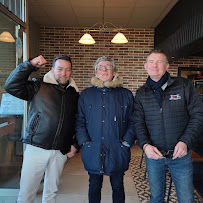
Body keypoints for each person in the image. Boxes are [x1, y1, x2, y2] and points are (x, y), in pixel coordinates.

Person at [5, 55, 79, 203]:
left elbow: (76, 120)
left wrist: (75, 143)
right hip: (37, 146)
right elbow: (11, 85)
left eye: (67, 70)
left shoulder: (74, 94)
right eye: (60, 69)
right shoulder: (38, 86)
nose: (63, 73)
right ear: (52, 70)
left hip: (60, 150)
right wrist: (30, 64)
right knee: (27, 193)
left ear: (71, 72)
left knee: (51, 192)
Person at [134, 49, 203, 203]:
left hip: (180, 155)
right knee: (156, 198)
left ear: (167, 66)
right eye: (151, 62)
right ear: (145, 66)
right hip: (154, 156)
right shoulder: (141, 93)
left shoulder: (183, 86)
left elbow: (198, 114)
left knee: (186, 199)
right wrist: (145, 146)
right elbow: (138, 122)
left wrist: (185, 141)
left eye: (159, 62)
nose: (155, 65)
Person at [76, 56, 135, 203]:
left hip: (118, 150)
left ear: (114, 72)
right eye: (100, 67)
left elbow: (133, 121)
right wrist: (84, 142)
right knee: (94, 186)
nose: (104, 70)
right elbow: (79, 121)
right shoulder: (86, 95)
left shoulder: (126, 94)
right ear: (96, 72)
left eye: (108, 67)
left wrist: (126, 142)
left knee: (118, 186)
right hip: (93, 148)